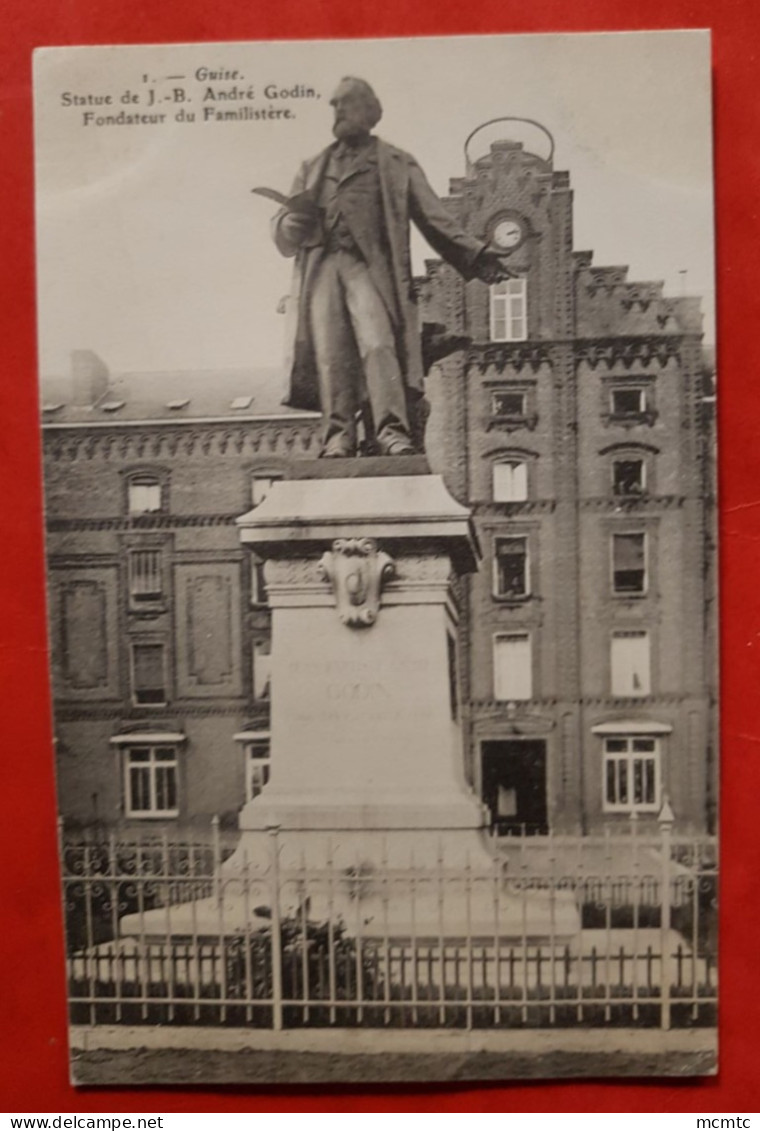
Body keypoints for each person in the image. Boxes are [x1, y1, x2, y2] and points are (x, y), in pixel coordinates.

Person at [272, 76, 516, 458]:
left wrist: (476, 253)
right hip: (322, 270)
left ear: (370, 112)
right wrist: (286, 225)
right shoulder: (312, 167)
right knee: (331, 354)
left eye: (346, 103)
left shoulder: (396, 162)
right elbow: (283, 223)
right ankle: (338, 434)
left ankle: (390, 430)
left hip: (369, 269)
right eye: (334, 105)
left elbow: (435, 218)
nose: (337, 111)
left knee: (378, 344)